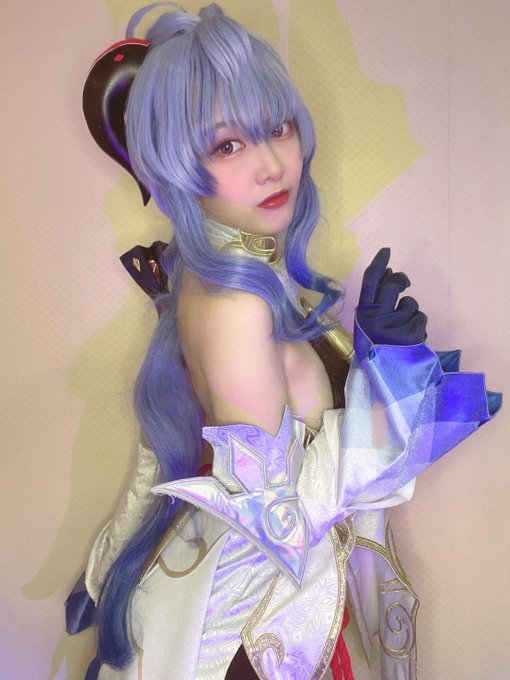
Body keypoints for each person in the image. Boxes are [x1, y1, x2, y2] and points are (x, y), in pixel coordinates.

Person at [70, 4, 500, 679]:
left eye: (278, 127)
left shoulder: (231, 272)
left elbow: (185, 434)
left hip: (270, 612)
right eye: (227, 145)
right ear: (175, 165)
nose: (272, 164)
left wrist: (369, 358)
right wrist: (391, 384)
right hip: (258, 637)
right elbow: (283, 521)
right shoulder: (236, 303)